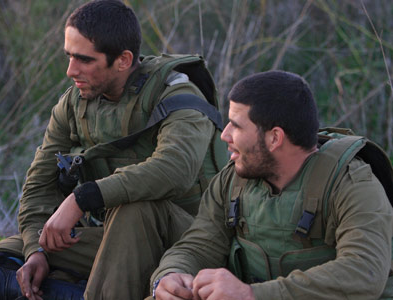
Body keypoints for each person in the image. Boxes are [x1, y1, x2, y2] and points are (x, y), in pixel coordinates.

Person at [0, 1, 227, 299]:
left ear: (123, 60)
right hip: (111, 239)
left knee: (135, 207)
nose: (71, 70)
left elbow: (174, 169)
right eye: (69, 56)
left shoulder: (179, 96)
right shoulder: (75, 103)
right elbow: (38, 187)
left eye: (84, 59)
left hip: (184, 245)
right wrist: (35, 250)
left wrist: (81, 199)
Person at [150, 70, 393, 300]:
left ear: (274, 137)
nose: (225, 135)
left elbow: (364, 272)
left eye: (236, 125)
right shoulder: (232, 181)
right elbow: (199, 245)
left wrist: (252, 295)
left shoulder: (352, 185)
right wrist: (170, 274)